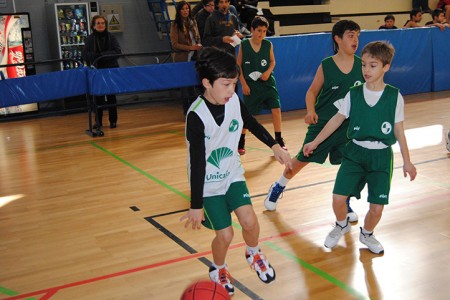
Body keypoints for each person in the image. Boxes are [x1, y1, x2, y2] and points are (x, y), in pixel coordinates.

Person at [180, 47, 292, 295]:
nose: (232, 91)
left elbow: (250, 122)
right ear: (207, 83)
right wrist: (195, 204)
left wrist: (275, 146)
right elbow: (197, 163)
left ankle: (253, 253)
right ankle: (217, 268)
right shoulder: (196, 116)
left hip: (231, 174)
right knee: (226, 234)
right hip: (208, 183)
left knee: (250, 222)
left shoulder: (233, 102)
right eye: (226, 84)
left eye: (234, 84)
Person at [303, 41, 417, 254]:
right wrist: (315, 142)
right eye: (363, 65)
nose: (366, 70)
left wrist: (407, 161)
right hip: (354, 153)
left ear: (386, 67)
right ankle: (341, 224)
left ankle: (367, 234)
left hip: (381, 156)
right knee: (338, 199)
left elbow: (399, 131)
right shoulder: (353, 93)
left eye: (372, 65)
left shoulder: (394, 97)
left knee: (376, 208)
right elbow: (336, 120)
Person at [264, 20, 364, 223]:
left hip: (347, 126)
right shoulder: (327, 65)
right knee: (301, 160)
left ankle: (344, 201)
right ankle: (279, 186)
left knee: (348, 164)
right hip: (323, 124)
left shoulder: (363, 65)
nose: (356, 40)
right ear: (338, 38)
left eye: (358, 36)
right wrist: (310, 110)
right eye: (351, 35)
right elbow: (311, 92)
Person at [236, 16, 286, 155]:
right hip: (251, 85)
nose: (261, 34)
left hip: (267, 82)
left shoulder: (268, 44)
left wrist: (268, 72)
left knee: (276, 108)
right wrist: (244, 84)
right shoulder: (244, 45)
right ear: (252, 30)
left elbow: (272, 62)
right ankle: (241, 140)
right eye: (259, 30)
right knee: (248, 115)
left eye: (264, 31)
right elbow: (238, 65)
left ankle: (278, 139)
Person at [82, 15, 122, 129]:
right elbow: (85, 54)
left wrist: (102, 56)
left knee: (111, 97)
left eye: (103, 23)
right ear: (93, 26)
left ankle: (113, 121)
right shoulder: (90, 39)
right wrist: (97, 57)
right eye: (98, 23)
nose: (100, 25)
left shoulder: (111, 37)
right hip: (96, 72)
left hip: (110, 71)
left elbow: (117, 52)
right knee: (98, 97)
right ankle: (98, 121)